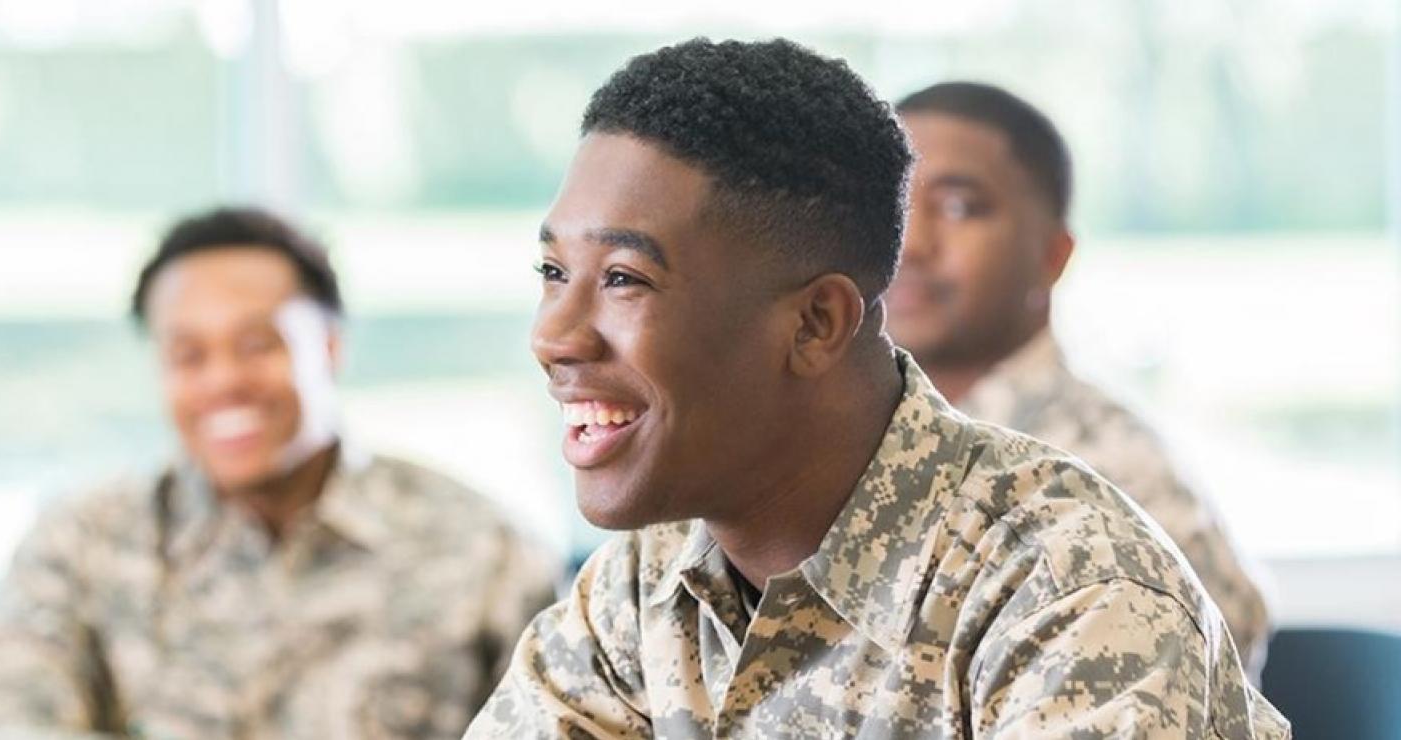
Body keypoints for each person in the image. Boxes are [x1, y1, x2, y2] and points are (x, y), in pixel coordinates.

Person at [465, 38, 1288, 737]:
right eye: (551, 271)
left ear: (817, 324)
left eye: (622, 277)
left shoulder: (1069, 590)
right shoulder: (644, 585)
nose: (553, 336)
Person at [0, 207, 556, 739]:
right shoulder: (81, 545)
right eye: (188, 355)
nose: (224, 381)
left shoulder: (481, 549)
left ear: (329, 348)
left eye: (259, 345)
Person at [888, 81, 1272, 671]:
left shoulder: (1116, 472)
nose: (909, 243)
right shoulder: (846, 440)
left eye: (960, 207)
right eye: (890, 205)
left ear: (1052, 256)